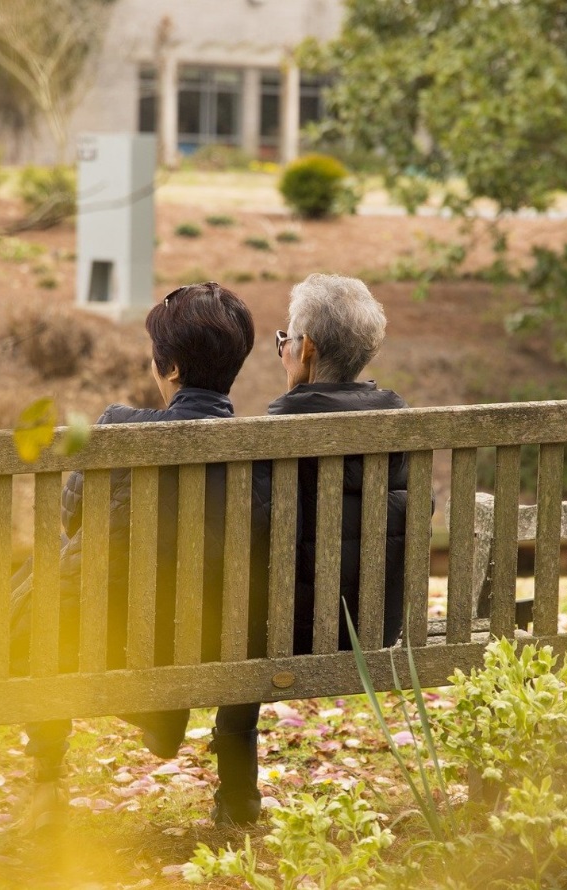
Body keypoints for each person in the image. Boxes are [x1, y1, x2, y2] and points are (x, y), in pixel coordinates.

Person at [0, 281, 256, 807]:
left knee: (52, 589)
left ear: (168, 369)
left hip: (112, 636)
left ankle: (49, 781)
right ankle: (182, 738)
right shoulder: (264, 448)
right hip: (220, 636)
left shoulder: (121, 427)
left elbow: (72, 517)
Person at [211, 273, 417, 827]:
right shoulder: (401, 424)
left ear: (307, 349)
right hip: (375, 626)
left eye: (285, 338)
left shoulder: (273, 432)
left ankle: (238, 803)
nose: (282, 349)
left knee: (242, 625)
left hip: (283, 634)